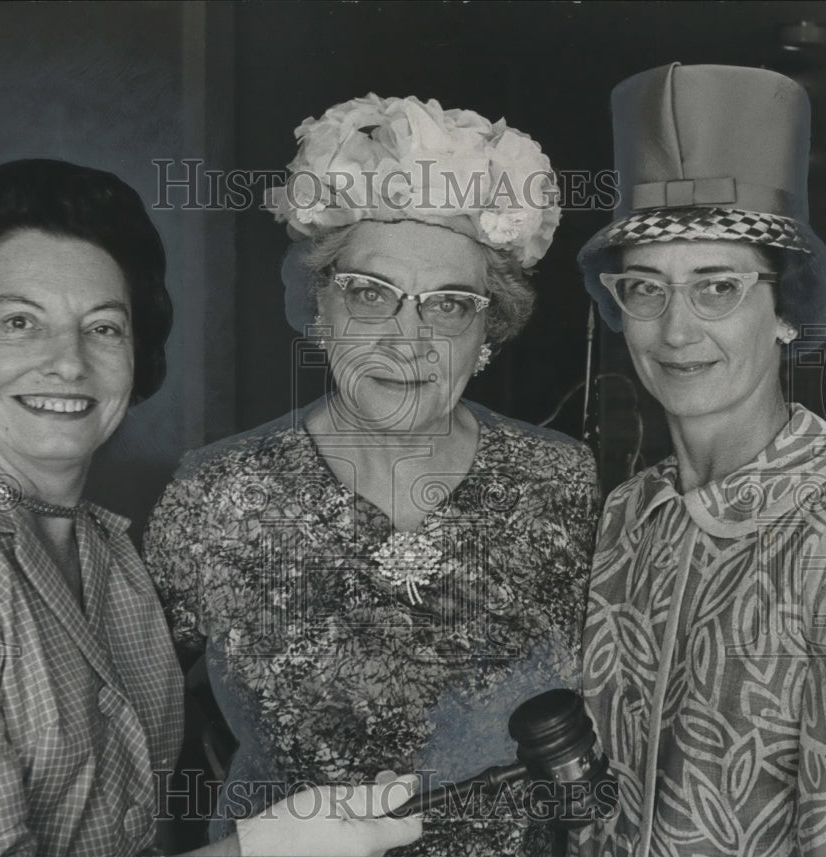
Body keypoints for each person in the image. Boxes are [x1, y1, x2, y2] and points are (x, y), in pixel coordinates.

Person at [0, 158, 422, 857]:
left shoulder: (107, 549)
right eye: (20, 321)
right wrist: (264, 848)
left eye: (103, 327)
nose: (68, 362)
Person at [144, 94, 601, 857]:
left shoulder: (563, 482)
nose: (405, 339)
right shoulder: (214, 495)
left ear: (489, 329)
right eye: (369, 294)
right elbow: (120, 740)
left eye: (449, 306)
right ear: (319, 302)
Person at [572, 64, 826, 857]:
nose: (675, 331)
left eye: (717, 289)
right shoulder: (628, 514)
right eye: (646, 289)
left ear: (788, 310)